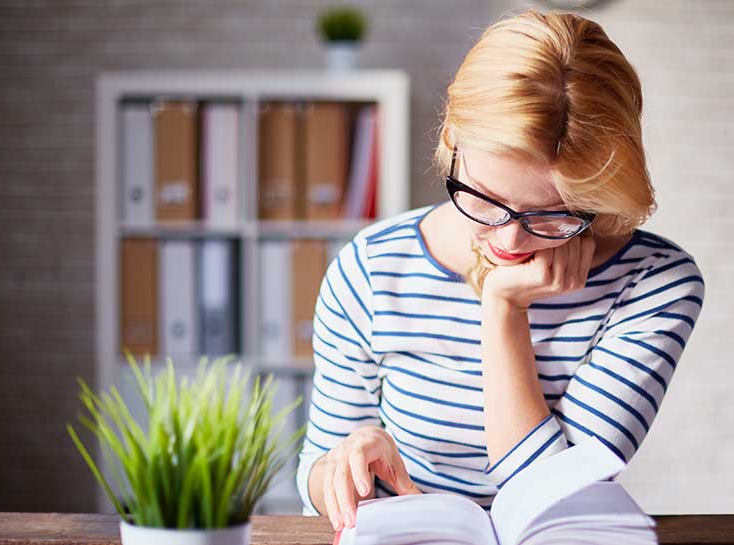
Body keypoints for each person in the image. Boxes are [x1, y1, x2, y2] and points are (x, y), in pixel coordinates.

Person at [296, 9, 706, 533]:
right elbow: (313, 477)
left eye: (553, 213)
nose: (510, 240)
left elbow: (549, 498)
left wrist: (503, 307)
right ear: (452, 141)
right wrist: (344, 467)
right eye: (486, 199)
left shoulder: (656, 285)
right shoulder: (373, 267)